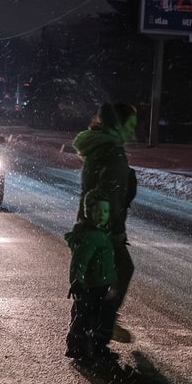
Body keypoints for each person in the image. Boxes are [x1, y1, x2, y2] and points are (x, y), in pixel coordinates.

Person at [72, 102, 138, 351]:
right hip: (102, 228)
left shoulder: (100, 147)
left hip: (90, 225)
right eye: (130, 126)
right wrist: (114, 232)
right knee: (119, 271)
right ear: (118, 126)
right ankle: (100, 327)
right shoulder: (111, 152)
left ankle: (85, 333)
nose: (133, 132)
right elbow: (107, 195)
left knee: (93, 281)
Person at [64, 189, 118, 360]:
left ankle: (96, 346)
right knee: (83, 316)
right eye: (98, 211)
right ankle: (76, 346)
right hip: (89, 286)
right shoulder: (90, 237)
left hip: (101, 285)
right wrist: (77, 281)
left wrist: (112, 280)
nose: (102, 215)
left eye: (105, 211)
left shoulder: (103, 234)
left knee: (99, 316)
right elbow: (79, 261)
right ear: (89, 212)